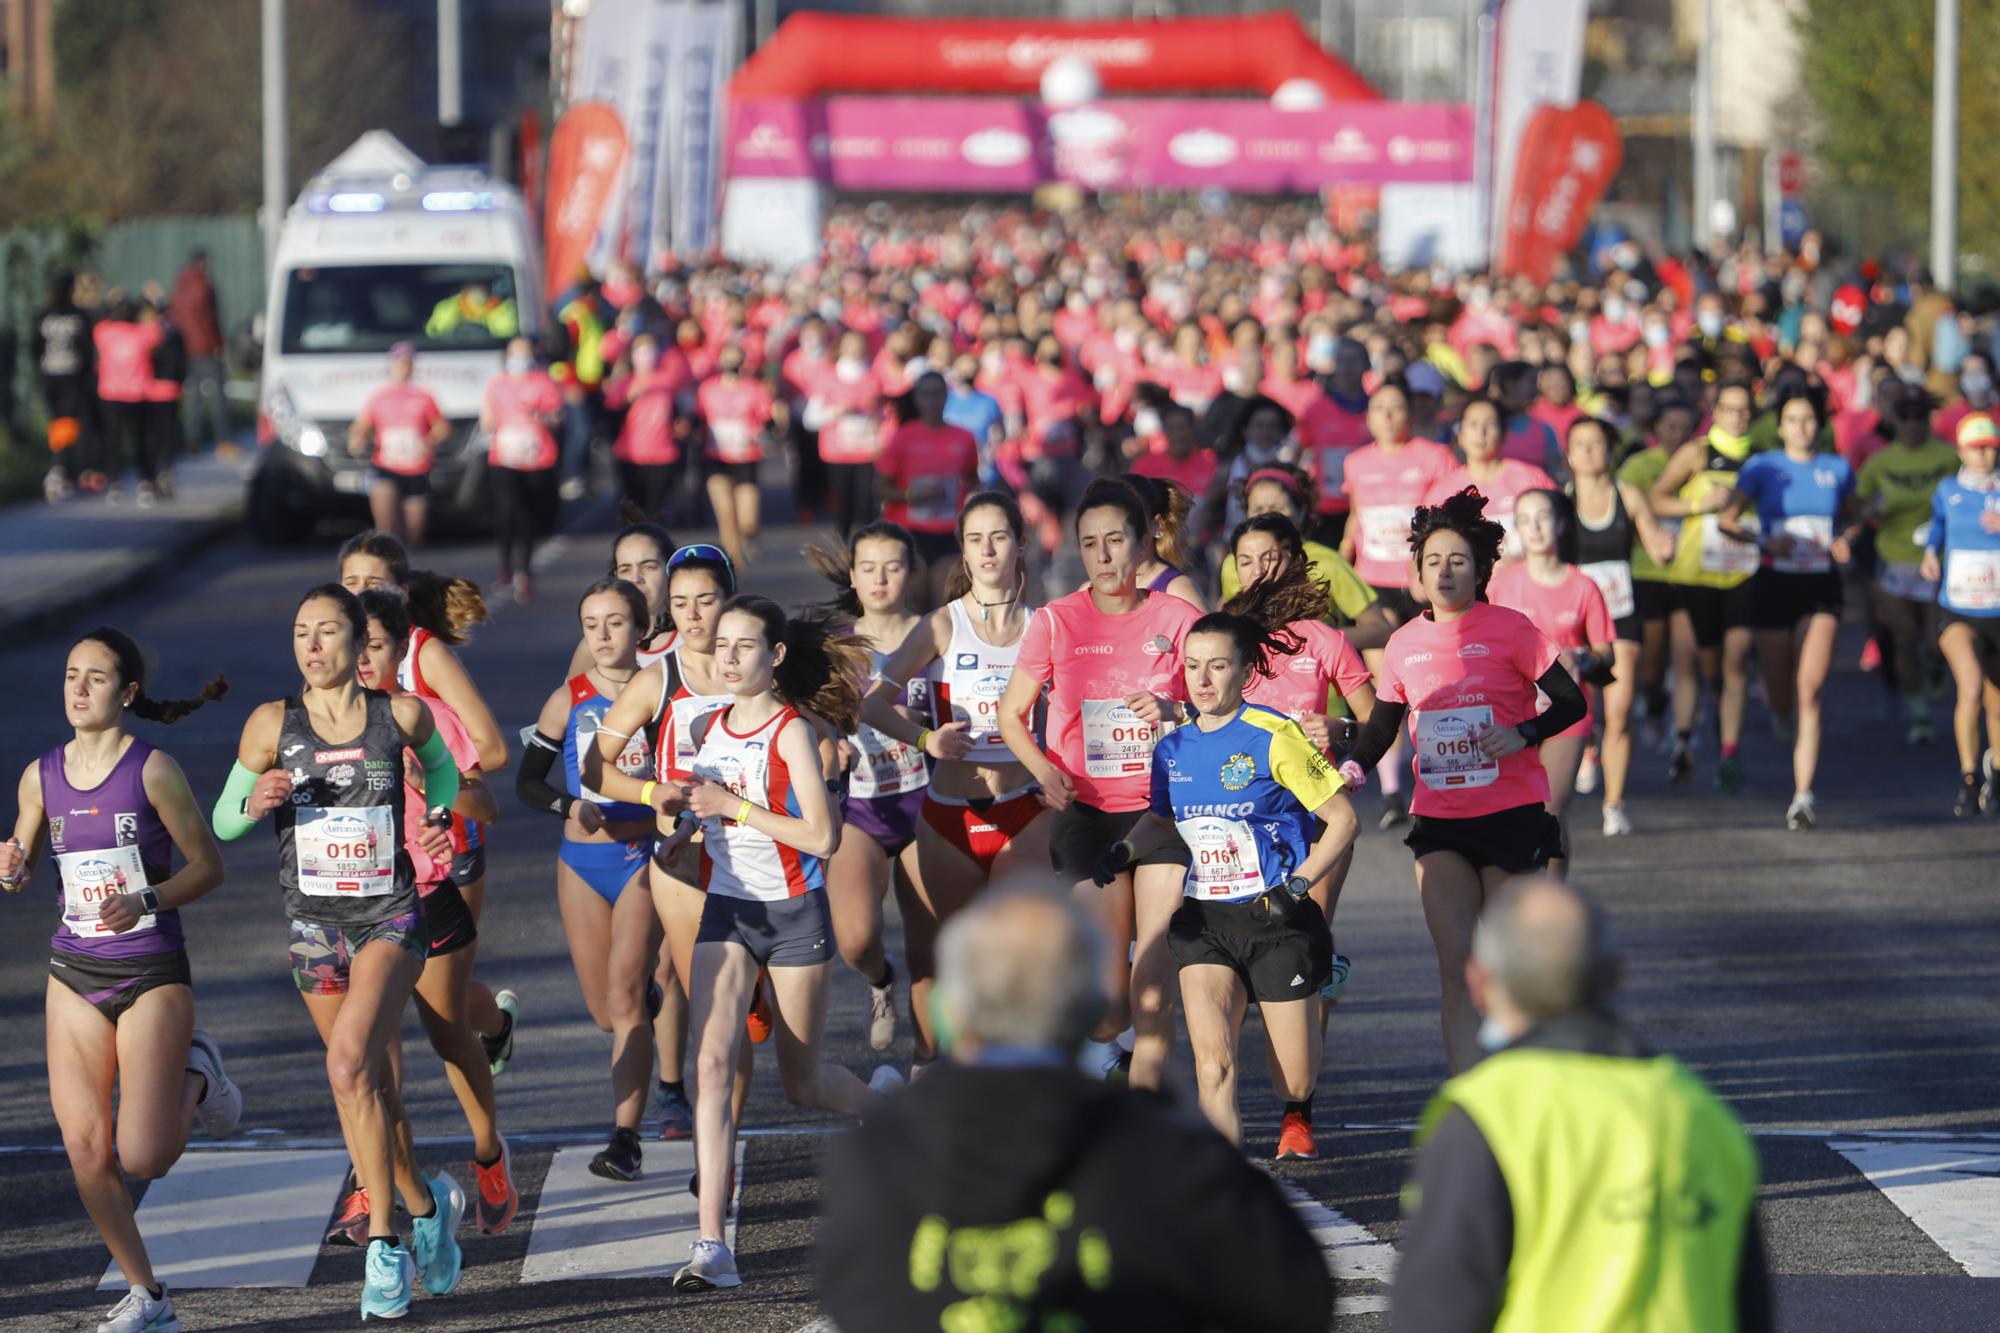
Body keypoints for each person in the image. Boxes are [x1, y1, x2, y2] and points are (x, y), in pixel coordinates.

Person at [816, 887, 1334, 1333]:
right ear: (1090, 1008)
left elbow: (854, 1297)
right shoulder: (1160, 1151)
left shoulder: (878, 1154)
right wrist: (1194, 1136)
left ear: (953, 1010)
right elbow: (1296, 1295)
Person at [210, 584, 465, 1320]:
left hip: (388, 918)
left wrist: (439, 818)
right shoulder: (271, 726)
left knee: (349, 1062)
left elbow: (444, 772)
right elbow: (225, 820)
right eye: (301, 633)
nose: (312, 646)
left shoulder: (399, 716)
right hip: (313, 928)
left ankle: (383, 1245)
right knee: (371, 1086)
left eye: (327, 632)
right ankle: (427, 1204)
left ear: (360, 645)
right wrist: (255, 801)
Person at [1393, 876, 1770, 1333]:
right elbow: (1750, 1310)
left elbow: (1437, 1310)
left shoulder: (1489, 1116)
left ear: (1480, 982)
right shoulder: (1702, 1115)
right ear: (1614, 975)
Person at [0, 630, 238, 1333]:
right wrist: (10, 865)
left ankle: (199, 1072)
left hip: (151, 970)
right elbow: (20, 865)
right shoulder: (40, 774)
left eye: (95, 677)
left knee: (145, 1155)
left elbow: (209, 866)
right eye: (71, 674)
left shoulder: (153, 771)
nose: (78, 688)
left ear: (126, 693)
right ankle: (147, 1295)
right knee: (86, 1148)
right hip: (74, 969)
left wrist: (146, 899)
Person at [654, 597, 890, 1292]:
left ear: (775, 656)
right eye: (721, 645)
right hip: (729, 910)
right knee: (714, 1059)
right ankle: (710, 1243)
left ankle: (894, 1114)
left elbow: (823, 837)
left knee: (802, 1082)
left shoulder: (790, 733)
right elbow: (715, 813)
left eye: (743, 646)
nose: (727, 657)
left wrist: (736, 809)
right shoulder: (706, 724)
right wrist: (685, 832)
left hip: (793, 913)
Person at [1096, 584, 1361, 1155]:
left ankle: (1319, 986)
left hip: (1277, 916)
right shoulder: (1173, 748)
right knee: (1213, 1066)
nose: (1202, 679)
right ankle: (1227, 1198)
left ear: (1246, 672)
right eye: (1192, 666)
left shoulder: (1277, 737)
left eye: (1218, 666)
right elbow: (1163, 820)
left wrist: (1297, 889)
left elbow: (1342, 822)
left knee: (1294, 1079)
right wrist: (1123, 851)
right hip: (1205, 921)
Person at [1343, 490, 1587, 1073]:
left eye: (1457, 560)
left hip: (1511, 815)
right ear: (1418, 575)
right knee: (1455, 971)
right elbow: (1381, 729)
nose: (1445, 571)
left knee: (1503, 969)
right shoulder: (1402, 644)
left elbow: (1571, 702)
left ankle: (1521, 1082)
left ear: (1480, 569)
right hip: (1442, 823)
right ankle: (1471, 1102)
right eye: (1433, 562)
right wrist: (1350, 766)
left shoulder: (1512, 629)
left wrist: (1524, 733)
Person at [998, 479, 1203, 1088]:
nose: (1105, 556)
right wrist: (1044, 773)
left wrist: (1174, 712)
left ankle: (1146, 1113)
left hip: (1164, 814)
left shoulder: (1180, 618)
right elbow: (1012, 715)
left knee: (1151, 987)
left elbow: (1223, 707)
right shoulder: (1056, 622)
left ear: (1143, 546)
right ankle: (1102, 1064)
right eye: (1091, 544)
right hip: (1086, 815)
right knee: (1111, 1000)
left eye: (1116, 541)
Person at [861, 492, 1052, 1068]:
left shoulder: (1044, 626)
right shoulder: (942, 625)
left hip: (1024, 806)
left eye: (999, 536)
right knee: (959, 961)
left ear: (1020, 545)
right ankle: (962, 1078)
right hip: (948, 814)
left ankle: (1021, 1075)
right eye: (975, 539)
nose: (988, 549)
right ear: (963, 554)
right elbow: (874, 706)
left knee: (1013, 955)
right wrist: (926, 740)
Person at [352, 590, 517, 1240]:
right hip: (352, 906)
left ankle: (487, 1149)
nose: (363, 657)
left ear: (400, 649)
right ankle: (396, 1198)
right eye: (354, 643)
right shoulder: (316, 723)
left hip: (423, 900)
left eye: (376, 645)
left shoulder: (426, 715)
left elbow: (486, 805)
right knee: (370, 1062)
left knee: (448, 1037)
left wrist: (431, 788)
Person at [520, 580, 676, 1175]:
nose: (603, 635)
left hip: (643, 857)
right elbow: (528, 784)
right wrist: (568, 807)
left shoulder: (662, 693)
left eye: (615, 622)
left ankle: (625, 1139)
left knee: (623, 998)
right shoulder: (568, 699)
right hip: (581, 862)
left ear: (641, 629)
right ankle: (643, 994)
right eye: (591, 624)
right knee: (604, 1013)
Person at [1229, 513, 1377, 1042]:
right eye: (1244, 560)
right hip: (1241, 816)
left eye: (1268, 557)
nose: (1256, 570)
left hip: (1317, 814)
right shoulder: (1226, 636)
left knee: (1308, 938)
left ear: (1292, 558)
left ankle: (1303, 1081)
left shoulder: (1322, 638)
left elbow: (1375, 723)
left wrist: (1339, 729)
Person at [809, 525, 928, 1050]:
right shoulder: (834, 647)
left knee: (932, 947)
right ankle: (881, 979)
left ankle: (929, 1062)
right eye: (869, 568)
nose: (881, 579)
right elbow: (807, 719)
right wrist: (829, 746)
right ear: (853, 576)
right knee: (855, 939)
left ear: (912, 571)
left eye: (893, 566)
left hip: (928, 803)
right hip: (861, 806)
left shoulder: (935, 634)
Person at [1718, 391, 1860, 829]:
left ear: (1819, 425)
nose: (1801, 427)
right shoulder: (1762, 467)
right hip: (1775, 583)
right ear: (1779, 427)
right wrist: (1763, 541)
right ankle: (1780, 714)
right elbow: (1728, 519)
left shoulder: (1837, 467)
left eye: (1808, 419)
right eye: (1792, 420)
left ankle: (1802, 795)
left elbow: (1854, 519)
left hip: (1820, 585)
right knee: (1782, 689)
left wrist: (1845, 540)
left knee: (1810, 688)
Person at [1487, 490, 1615, 871]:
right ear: (1517, 529)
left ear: (1560, 523)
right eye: (1525, 519)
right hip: (1510, 710)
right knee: (1508, 813)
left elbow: (1607, 653)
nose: (1536, 526)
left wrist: (1582, 656)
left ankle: (1553, 903)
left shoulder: (1583, 585)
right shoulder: (1501, 584)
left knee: (1550, 811)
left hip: (1566, 712)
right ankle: (1515, 895)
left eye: (1543, 517)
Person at [1566, 417, 1679, 835]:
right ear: (1569, 454)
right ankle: (1588, 744)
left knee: (1619, 710)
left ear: (1610, 451)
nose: (1590, 451)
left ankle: (1614, 803)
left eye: (1597, 443)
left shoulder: (1627, 494)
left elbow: (1654, 543)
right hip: (1575, 619)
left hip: (1619, 614)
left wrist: (1664, 547)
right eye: (1581, 444)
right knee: (1580, 708)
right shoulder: (1563, 500)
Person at [1650, 381, 1761, 793]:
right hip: (1695, 574)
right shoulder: (1696, 452)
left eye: (1743, 410)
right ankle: (1684, 739)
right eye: (1728, 409)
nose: (1735, 416)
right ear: (1715, 411)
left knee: (1735, 660)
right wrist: (1700, 505)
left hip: (1742, 573)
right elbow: (1657, 498)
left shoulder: (1760, 458)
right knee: (1691, 662)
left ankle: (1729, 753)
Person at [1859, 394, 1961, 745]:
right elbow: (1859, 503)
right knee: (1904, 637)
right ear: (1895, 422)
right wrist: (1871, 512)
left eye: (1920, 416)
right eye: (1906, 417)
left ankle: (1935, 665)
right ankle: (1919, 715)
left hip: (1938, 560)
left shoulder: (1948, 457)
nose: (1913, 424)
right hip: (1893, 559)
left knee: (1936, 642)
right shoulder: (1880, 461)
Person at [1919, 411, 2000, 816]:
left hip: (1997, 610)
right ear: (1960, 450)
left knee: (1997, 703)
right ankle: (1969, 777)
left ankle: (1997, 774)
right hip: (1958, 609)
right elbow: (1935, 527)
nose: (1984, 455)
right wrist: (1930, 553)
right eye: (1975, 448)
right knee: (1968, 686)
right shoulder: (1948, 490)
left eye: (1989, 448)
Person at [1218, 464, 1388, 644]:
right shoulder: (1232, 563)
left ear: (1301, 511)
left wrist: (1316, 641)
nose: (1268, 517)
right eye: (1258, 509)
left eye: (1277, 508)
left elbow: (1380, 629)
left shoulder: (1328, 562)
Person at [1340, 377, 1458, 621]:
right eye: (1379, 408)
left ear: (1411, 414)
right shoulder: (1355, 462)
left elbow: (1451, 521)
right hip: (1371, 576)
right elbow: (1355, 514)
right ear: (1368, 417)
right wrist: (1343, 557)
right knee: (1380, 648)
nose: (1388, 416)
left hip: (1422, 576)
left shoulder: (1437, 457)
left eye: (1396, 408)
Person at [875, 370, 981, 604]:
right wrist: (912, 494)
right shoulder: (902, 437)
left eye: (937, 394)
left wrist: (971, 500)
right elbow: (879, 488)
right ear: (916, 399)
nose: (932, 401)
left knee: (945, 603)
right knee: (916, 601)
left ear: (946, 396)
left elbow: (973, 480)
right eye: (925, 394)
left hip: (949, 531)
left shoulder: (963, 437)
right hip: (910, 531)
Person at [480, 337, 564, 601]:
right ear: (507, 356)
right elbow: (487, 417)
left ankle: (524, 570)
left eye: (526, 354)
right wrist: (491, 426)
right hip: (503, 457)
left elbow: (558, 415)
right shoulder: (497, 383)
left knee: (527, 514)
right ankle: (506, 567)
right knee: (507, 511)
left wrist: (543, 417)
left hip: (536, 458)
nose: (521, 358)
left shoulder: (543, 381)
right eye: (516, 354)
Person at [1426, 396, 1556, 561]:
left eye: (1490, 424)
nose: (1481, 433)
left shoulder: (1532, 480)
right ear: (1460, 436)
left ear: (1503, 435)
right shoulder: (1443, 491)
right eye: (1473, 424)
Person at [348, 343, 450, 546]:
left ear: (412, 367)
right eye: (399, 363)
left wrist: (428, 441)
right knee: (386, 532)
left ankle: (406, 575)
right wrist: (357, 438)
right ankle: (387, 575)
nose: (403, 367)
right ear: (391, 365)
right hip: (386, 467)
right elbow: (362, 425)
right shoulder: (379, 396)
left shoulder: (424, 396)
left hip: (416, 468)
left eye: (407, 363)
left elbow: (442, 427)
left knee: (413, 536)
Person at [695, 345, 775, 566]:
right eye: (728, 359)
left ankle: (749, 538)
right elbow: (697, 418)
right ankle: (734, 567)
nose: (732, 365)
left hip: (746, 457)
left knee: (747, 521)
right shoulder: (707, 389)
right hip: (716, 457)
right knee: (726, 517)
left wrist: (764, 431)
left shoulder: (754, 389)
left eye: (737, 360)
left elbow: (769, 420)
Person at [603, 333, 686, 521]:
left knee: (654, 510)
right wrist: (627, 400)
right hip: (630, 455)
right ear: (632, 354)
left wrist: (681, 424)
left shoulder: (668, 381)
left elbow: (680, 411)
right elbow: (609, 421)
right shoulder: (623, 384)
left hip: (662, 453)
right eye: (640, 350)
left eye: (649, 349)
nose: (645, 354)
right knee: (633, 509)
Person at [93, 294, 160, 504]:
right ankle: (146, 482)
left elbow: (96, 316)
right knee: (141, 441)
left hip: (110, 393)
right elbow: (157, 329)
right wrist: (152, 301)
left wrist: (110, 298)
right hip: (137, 393)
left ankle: (114, 482)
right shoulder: (142, 334)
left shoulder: (103, 332)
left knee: (113, 440)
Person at [34, 270, 95, 499]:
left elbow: (35, 346)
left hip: (49, 375)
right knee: (67, 422)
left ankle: (62, 467)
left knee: (59, 421)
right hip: (71, 377)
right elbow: (87, 349)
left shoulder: (43, 316)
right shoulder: (79, 316)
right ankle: (59, 467)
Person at [170, 249, 229, 454]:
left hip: (186, 349)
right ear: (203, 263)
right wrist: (218, 344)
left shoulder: (179, 289)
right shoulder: (205, 288)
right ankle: (223, 439)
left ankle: (192, 440)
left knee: (193, 398)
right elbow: (210, 320)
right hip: (205, 348)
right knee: (219, 396)